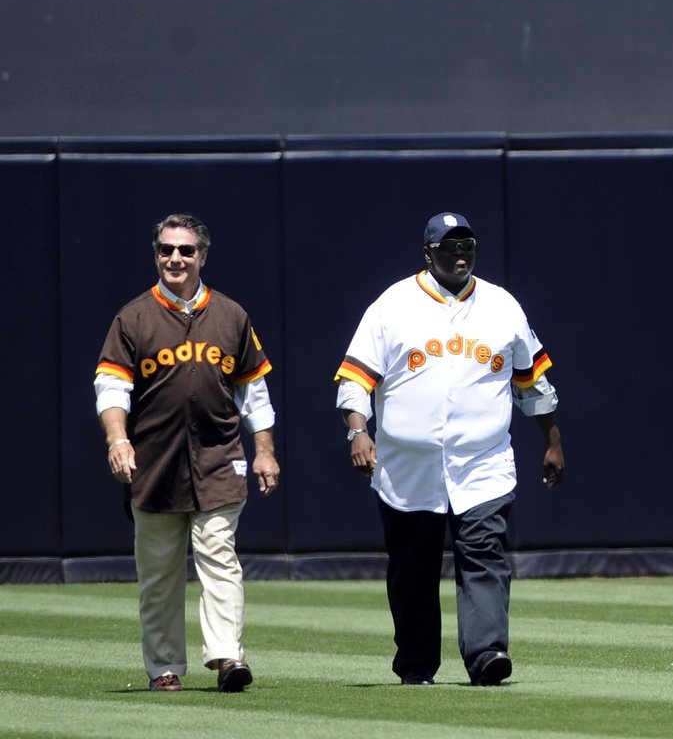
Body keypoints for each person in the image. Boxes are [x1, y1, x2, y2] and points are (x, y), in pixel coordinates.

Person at [335, 212, 564, 687]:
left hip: (483, 462)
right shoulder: (392, 305)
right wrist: (358, 431)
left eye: (467, 245)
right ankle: (416, 665)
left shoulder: (502, 306)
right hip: (406, 466)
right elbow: (355, 380)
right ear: (428, 253)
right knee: (412, 568)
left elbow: (533, 383)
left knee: (484, 553)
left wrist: (553, 441)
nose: (460, 254)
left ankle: (487, 653)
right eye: (448, 247)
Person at [94, 213, 280, 693]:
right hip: (153, 464)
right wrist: (118, 440)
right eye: (166, 249)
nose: (175, 258)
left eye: (185, 250)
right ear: (156, 254)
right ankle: (164, 668)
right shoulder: (132, 317)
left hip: (218, 458)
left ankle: (227, 658)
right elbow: (111, 388)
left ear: (203, 255)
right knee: (159, 574)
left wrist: (264, 451)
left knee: (220, 556)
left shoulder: (231, 315)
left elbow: (254, 393)